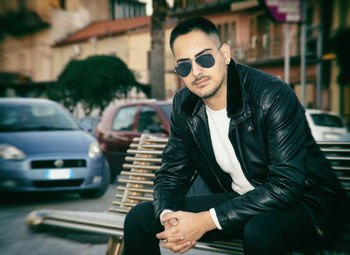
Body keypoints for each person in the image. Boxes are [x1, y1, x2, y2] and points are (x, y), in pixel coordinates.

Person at [123, 17, 349, 255]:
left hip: (308, 205)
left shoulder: (271, 95)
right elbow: (171, 174)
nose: (196, 72)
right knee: (141, 218)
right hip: (241, 204)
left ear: (225, 54)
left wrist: (206, 221)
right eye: (185, 65)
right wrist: (169, 217)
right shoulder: (184, 105)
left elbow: (286, 186)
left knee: (260, 231)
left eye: (204, 58)